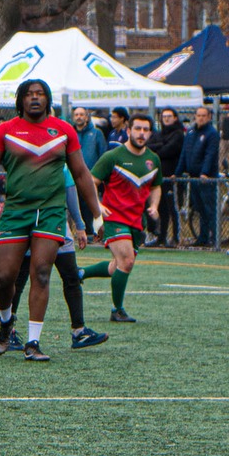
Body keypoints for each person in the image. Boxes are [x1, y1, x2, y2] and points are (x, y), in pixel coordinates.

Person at [0, 77, 100, 361]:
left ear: (48, 100)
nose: (35, 98)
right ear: (20, 100)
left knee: (41, 272)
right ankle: (6, 322)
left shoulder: (64, 130)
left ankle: (33, 342)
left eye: (40, 94)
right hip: (16, 210)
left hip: (51, 211)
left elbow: (80, 174)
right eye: (29, 94)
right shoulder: (6, 130)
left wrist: (96, 214)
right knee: (4, 278)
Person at [77, 111, 162, 323]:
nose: (141, 133)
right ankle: (117, 310)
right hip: (114, 219)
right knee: (127, 261)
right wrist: (98, 205)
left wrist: (154, 205)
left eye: (145, 130)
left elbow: (157, 186)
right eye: (137, 129)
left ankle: (80, 273)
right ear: (128, 130)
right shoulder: (113, 157)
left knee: (117, 266)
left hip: (136, 221)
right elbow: (91, 182)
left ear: (150, 133)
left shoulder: (153, 160)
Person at [8, 170, 109, 349]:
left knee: (69, 276)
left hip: (50, 223)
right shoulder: (37, 157)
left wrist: (79, 225)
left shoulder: (58, 160)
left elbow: (70, 189)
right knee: (24, 278)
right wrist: (79, 225)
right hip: (37, 223)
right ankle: (8, 330)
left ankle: (79, 331)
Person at [181, 104, 221, 247]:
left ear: (209, 117)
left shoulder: (212, 133)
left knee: (210, 209)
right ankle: (202, 238)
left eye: (204, 116)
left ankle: (215, 239)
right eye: (198, 115)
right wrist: (178, 172)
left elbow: (210, 155)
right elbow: (184, 153)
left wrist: (204, 173)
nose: (201, 118)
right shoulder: (191, 132)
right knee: (199, 209)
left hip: (206, 179)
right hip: (193, 177)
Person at [148, 108, 185, 243]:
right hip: (158, 177)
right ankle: (161, 237)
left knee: (172, 208)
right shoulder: (158, 134)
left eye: (169, 116)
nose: (166, 119)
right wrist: (160, 145)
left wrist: (158, 148)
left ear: (175, 118)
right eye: (164, 116)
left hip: (171, 177)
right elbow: (148, 147)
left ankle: (175, 237)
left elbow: (168, 150)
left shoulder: (178, 134)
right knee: (161, 208)